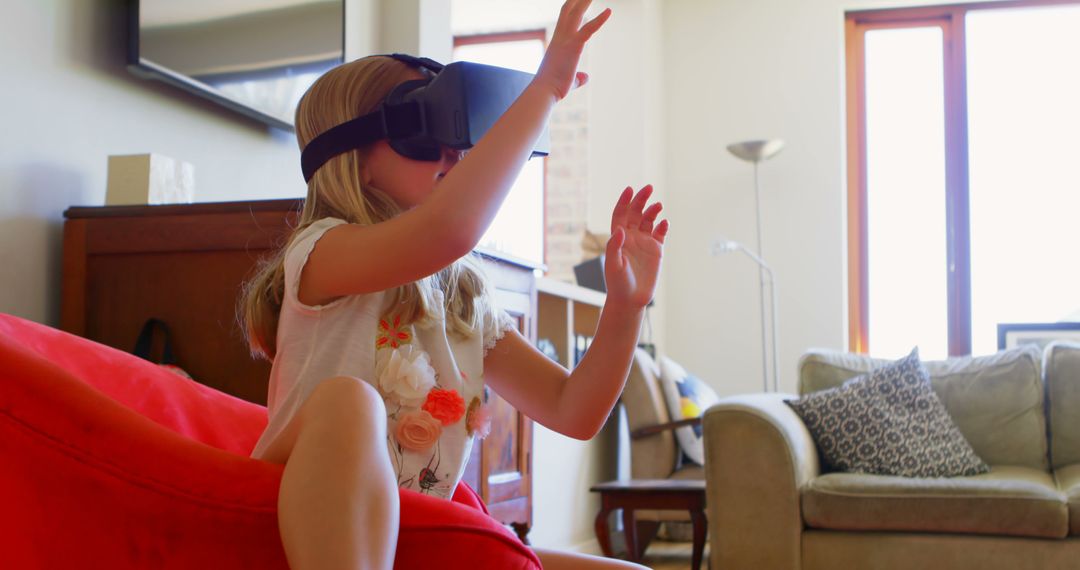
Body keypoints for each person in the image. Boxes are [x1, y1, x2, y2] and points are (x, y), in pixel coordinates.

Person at [239, 1, 667, 568]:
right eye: (426, 132)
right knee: (349, 403)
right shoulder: (322, 252)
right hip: (306, 522)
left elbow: (574, 410)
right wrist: (543, 91)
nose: (454, 153)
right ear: (355, 160)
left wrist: (626, 306)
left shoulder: (463, 300)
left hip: (415, 531)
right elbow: (448, 232)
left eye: (459, 135)